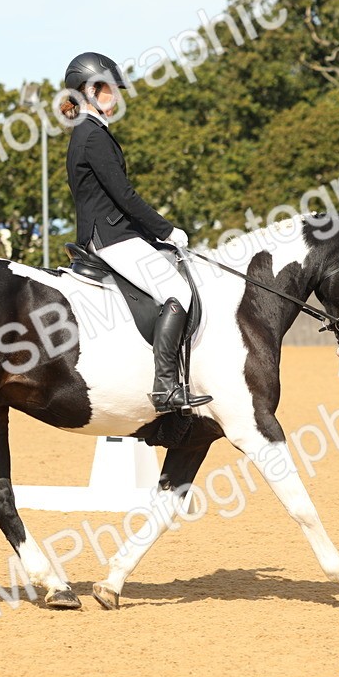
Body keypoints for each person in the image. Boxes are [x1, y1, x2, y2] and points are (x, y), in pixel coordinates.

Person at [61, 51, 211, 413]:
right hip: (111, 237)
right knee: (179, 291)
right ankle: (164, 387)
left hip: (112, 233)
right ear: (92, 89)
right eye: (111, 89)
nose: (118, 96)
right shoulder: (92, 135)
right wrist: (166, 229)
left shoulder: (89, 131)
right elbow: (123, 195)